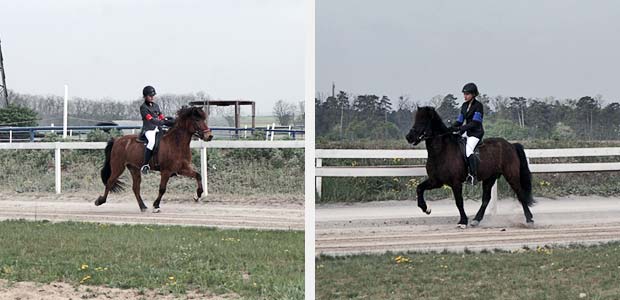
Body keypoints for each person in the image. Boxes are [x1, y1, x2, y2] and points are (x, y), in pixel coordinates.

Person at [449, 82, 484, 185]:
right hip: (467, 132)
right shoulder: (464, 106)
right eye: (464, 94)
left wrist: (461, 128)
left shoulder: (478, 106)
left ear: (473, 94)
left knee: (468, 151)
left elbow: (475, 122)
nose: (465, 96)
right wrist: (451, 128)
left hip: (476, 133)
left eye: (467, 94)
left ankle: (473, 176)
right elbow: (460, 120)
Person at [139, 85, 168, 174]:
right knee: (151, 142)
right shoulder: (143, 107)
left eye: (153, 95)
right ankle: (145, 164)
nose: (152, 97)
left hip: (158, 128)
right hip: (149, 129)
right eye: (150, 96)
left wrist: (166, 120)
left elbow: (161, 116)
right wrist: (161, 122)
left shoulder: (156, 105)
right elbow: (150, 119)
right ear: (145, 97)